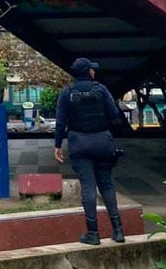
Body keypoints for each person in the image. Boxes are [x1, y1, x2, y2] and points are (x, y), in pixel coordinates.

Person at [54, 57, 125, 245]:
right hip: (103, 142)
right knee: (107, 185)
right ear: (88, 72)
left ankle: (93, 233)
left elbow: (60, 122)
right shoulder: (101, 89)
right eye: (92, 69)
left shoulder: (66, 93)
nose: (94, 72)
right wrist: (108, 134)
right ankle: (118, 231)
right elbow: (115, 116)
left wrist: (57, 145)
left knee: (88, 187)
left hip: (79, 143)